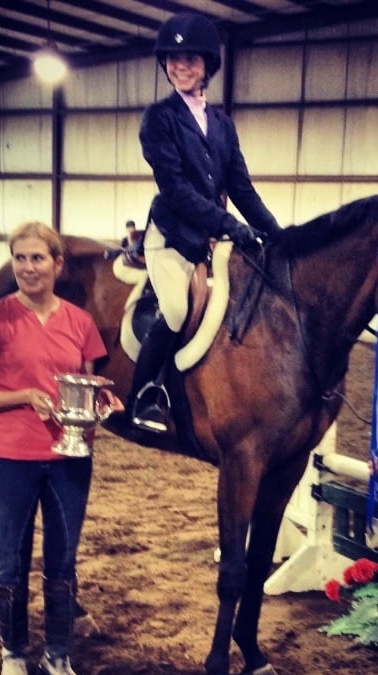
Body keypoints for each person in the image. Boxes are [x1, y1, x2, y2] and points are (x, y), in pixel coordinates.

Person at [0, 221, 122, 675]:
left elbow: (89, 384)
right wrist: (24, 395)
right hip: (10, 453)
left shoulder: (79, 322)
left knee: (63, 561)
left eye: (37, 258)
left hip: (70, 457)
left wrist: (101, 405)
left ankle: (57, 656)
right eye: (20, 258)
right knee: (11, 560)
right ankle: (13, 654)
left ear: (57, 264)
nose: (28, 267)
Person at [128, 11, 282, 433]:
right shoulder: (158, 118)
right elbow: (175, 189)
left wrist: (277, 234)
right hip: (173, 237)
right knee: (177, 309)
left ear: (207, 66)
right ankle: (144, 397)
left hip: (212, 237)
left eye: (191, 59)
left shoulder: (223, 125)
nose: (181, 67)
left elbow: (242, 188)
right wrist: (229, 224)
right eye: (173, 60)